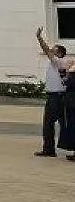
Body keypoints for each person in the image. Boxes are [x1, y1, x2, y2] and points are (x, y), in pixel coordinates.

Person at [35, 26, 72, 157]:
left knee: (49, 123)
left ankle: (49, 149)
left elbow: (45, 49)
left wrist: (39, 37)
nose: (51, 49)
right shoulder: (58, 63)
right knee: (65, 124)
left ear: (59, 53)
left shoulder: (57, 61)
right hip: (60, 97)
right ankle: (57, 148)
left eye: (54, 48)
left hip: (55, 98)